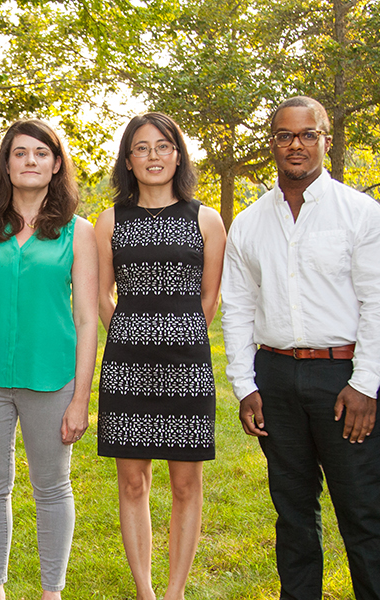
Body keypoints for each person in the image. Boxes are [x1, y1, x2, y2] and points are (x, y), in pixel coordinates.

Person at [221, 96, 380, 600]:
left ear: (326, 139)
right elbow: (236, 308)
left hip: (342, 380)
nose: (295, 144)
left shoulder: (359, 214)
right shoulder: (249, 223)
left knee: (363, 511)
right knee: (293, 513)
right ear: (272, 144)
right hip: (275, 378)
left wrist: (365, 384)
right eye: (284, 135)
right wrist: (246, 386)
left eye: (307, 134)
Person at [0, 119, 99, 600]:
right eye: (20, 153)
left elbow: (85, 320)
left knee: (52, 487)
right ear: (7, 163)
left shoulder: (79, 233)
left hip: (52, 377)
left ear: (56, 164)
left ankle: (51, 592)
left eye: (41, 153)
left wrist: (81, 398)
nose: (31, 161)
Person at [94, 113, 226, 600]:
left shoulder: (204, 220)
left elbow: (209, 297)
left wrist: (178, 336)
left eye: (163, 146)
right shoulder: (110, 221)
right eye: (142, 148)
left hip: (187, 366)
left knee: (186, 484)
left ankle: (175, 593)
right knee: (133, 483)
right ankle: (145, 592)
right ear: (128, 160)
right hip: (126, 367)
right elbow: (101, 295)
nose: (153, 156)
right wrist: (132, 333)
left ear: (178, 155)